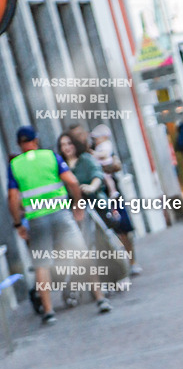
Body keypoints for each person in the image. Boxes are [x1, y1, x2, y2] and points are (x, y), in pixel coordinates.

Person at [7, 126, 112, 324]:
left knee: (41, 265)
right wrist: (78, 204)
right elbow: (71, 181)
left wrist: (18, 224)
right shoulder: (50, 156)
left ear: (20, 144)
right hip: (61, 213)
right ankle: (100, 298)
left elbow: (12, 197)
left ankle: (49, 312)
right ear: (36, 140)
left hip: (36, 219)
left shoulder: (15, 165)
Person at [80, 124, 141, 273]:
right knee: (104, 235)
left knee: (124, 229)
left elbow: (115, 164)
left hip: (111, 194)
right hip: (96, 198)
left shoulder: (102, 149)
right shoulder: (84, 156)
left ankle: (132, 262)